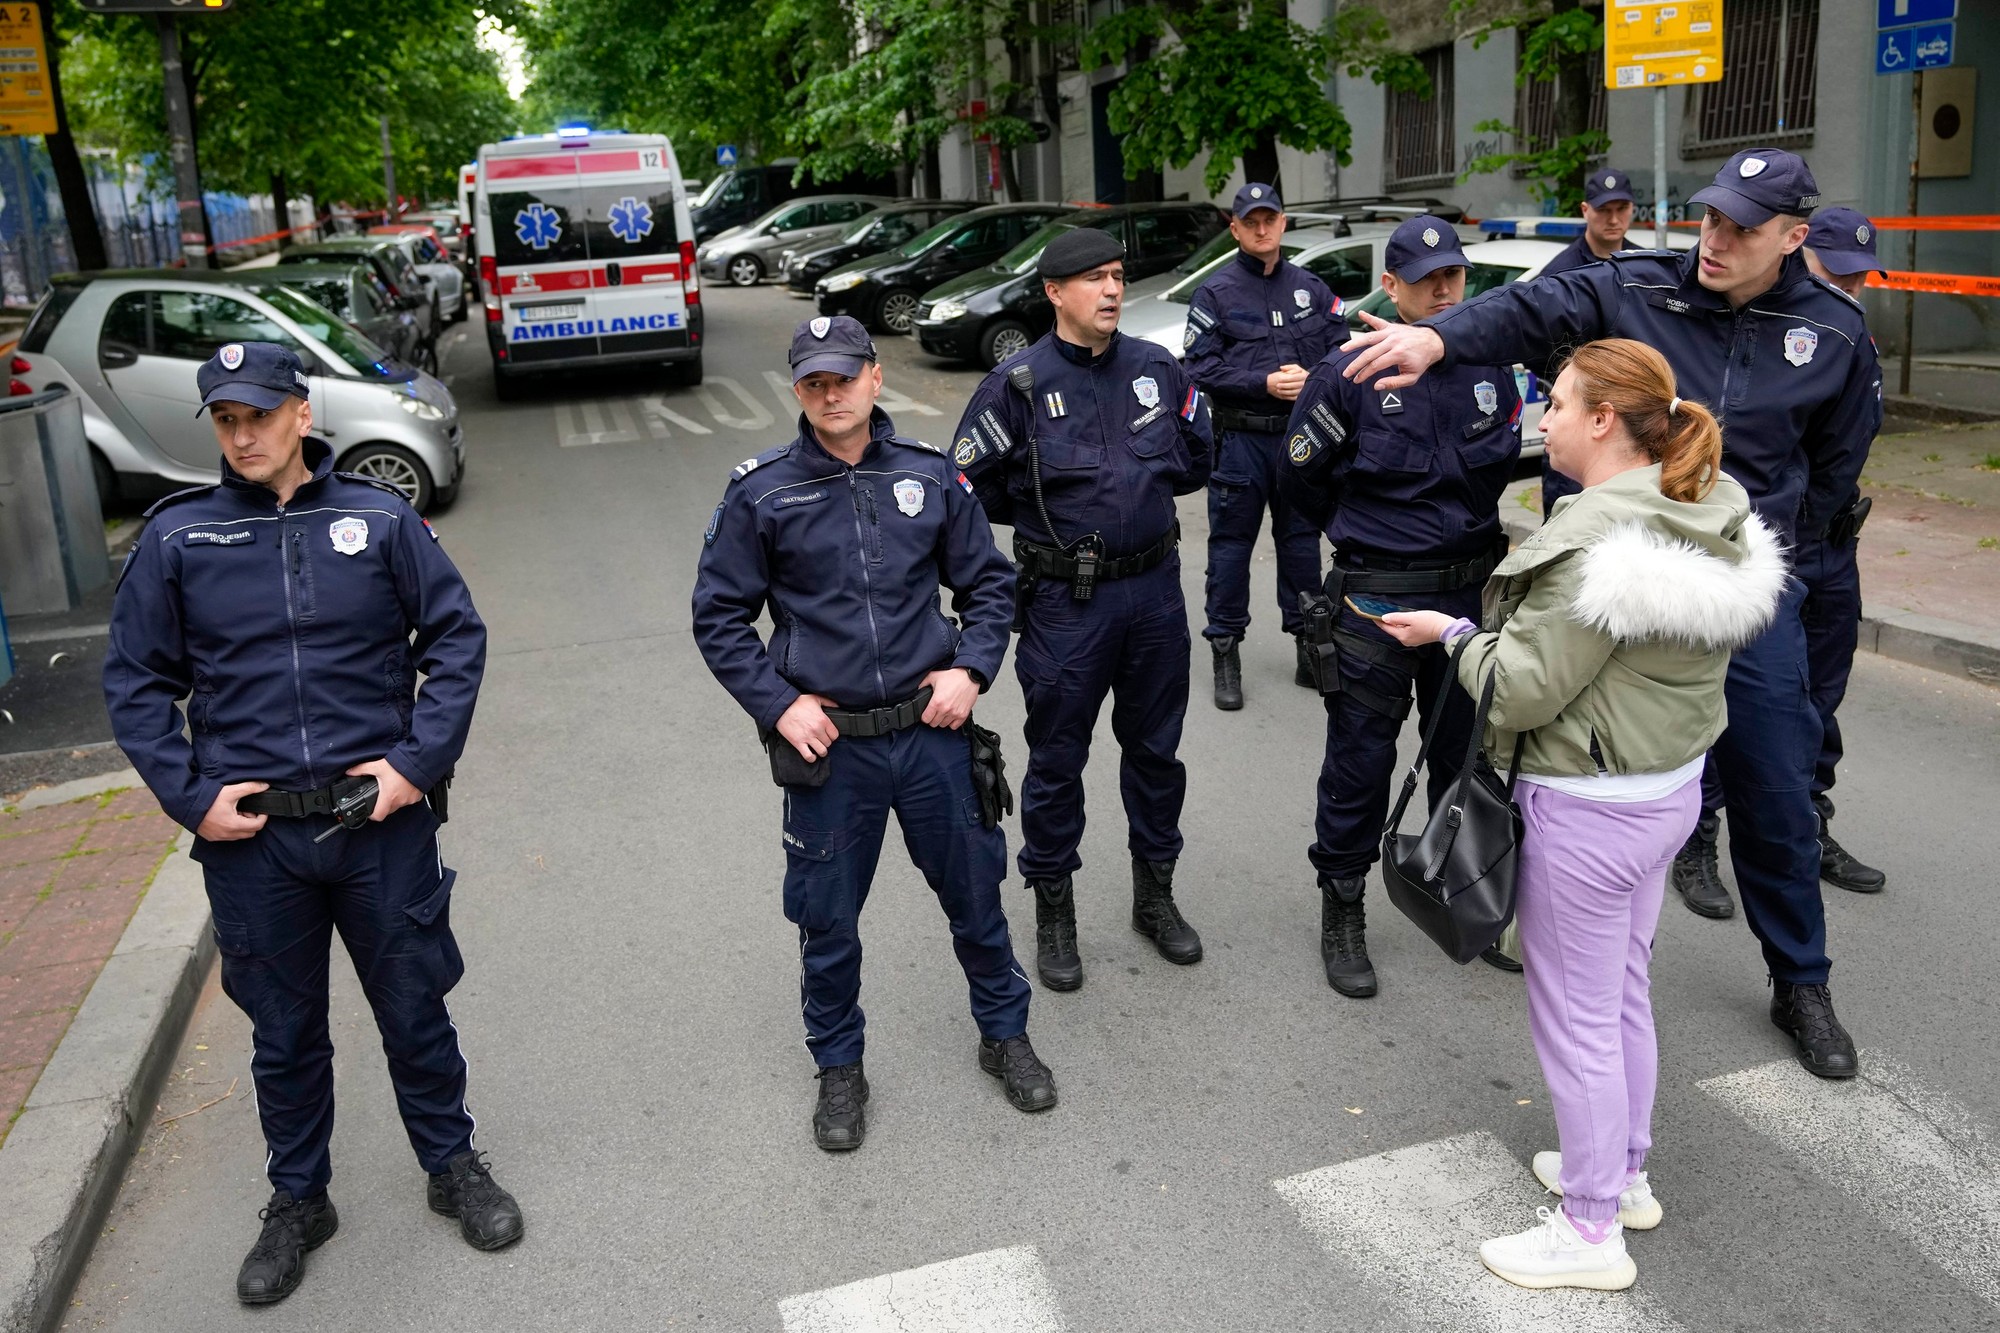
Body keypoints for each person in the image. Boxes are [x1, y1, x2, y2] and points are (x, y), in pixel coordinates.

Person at [1337, 148, 1882, 1079]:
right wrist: (1436, 338)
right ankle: (1535, 920)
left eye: (1740, 228)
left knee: (1777, 786)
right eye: (1709, 218)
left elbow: (1834, 473)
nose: (1713, 239)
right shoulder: (1639, 289)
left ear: (1794, 237)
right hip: (1607, 584)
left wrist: (1783, 570)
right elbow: (1529, 309)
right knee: (1570, 765)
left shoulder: (1831, 333)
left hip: (1728, 599)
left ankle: (1802, 980)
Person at [102, 343, 520, 1306]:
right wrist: (189, 793)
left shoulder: (375, 519)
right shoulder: (179, 536)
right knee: (284, 1034)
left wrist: (415, 765)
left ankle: (452, 1166)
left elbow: (456, 636)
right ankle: (299, 1199)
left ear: (300, 413)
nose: (241, 434)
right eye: (225, 419)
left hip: (377, 826)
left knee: (414, 1006)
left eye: (257, 414)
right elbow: (132, 681)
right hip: (255, 843)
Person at [1380, 338, 1782, 1291]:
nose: (1544, 418)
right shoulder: (1701, 506)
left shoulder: (1596, 542)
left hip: (1589, 807)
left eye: (1556, 402)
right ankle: (1624, 1170)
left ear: (1605, 420)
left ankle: (1591, 1229)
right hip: (1665, 788)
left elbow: (1520, 691)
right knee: (1621, 992)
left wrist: (1452, 634)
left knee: (1577, 1020)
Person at [692, 315, 1053, 1153]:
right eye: (815, 380)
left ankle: (1005, 1034)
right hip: (831, 751)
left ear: (874, 377)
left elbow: (990, 588)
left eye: (844, 376)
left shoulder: (930, 477)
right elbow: (718, 617)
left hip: (930, 737)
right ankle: (840, 1067)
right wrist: (779, 705)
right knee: (828, 921)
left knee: (975, 896)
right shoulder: (764, 492)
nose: (832, 393)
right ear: (799, 390)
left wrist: (970, 671)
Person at [952, 227, 1214, 992]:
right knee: (1058, 760)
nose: (1111, 289)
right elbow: (971, 488)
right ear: (1054, 293)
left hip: (1154, 593)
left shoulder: (1158, 369)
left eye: (1117, 275)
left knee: (1156, 751)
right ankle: (1054, 911)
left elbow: (1200, 454)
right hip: (1067, 603)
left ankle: (1155, 896)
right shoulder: (1017, 383)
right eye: (1093, 278)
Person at [1280, 215, 1523, 998]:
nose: (1446, 288)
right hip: (1377, 602)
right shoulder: (1346, 371)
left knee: (1466, 757)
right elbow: (1300, 482)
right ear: (1390, 286)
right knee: (1361, 760)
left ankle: (1464, 891)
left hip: (1466, 595)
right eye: (1427, 279)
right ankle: (1343, 905)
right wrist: (1375, 547)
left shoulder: (1491, 364)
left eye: (1454, 274)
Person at [1675, 206, 1892, 911]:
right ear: (1799, 257)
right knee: (1733, 705)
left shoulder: (1844, 332)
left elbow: (1844, 448)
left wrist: (1819, 523)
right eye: (1838, 275)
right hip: (1775, 545)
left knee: (1816, 701)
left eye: (1860, 279)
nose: (1849, 290)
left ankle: (1812, 819)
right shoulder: (1756, 325)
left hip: (1831, 545)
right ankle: (1698, 837)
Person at [1183, 182, 1338, 709]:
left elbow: (1342, 351)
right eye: (1251, 221)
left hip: (1298, 442)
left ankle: (1307, 646)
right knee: (1230, 550)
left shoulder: (1312, 289)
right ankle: (1225, 651)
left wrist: (1313, 374)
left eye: (1269, 218)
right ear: (1235, 228)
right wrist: (1262, 384)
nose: (1261, 228)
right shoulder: (1215, 293)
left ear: (1284, 222)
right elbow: (1198, 367)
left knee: (1300, 544)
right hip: (1241, 440)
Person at [1536, 167, 1640, 517]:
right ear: (1584, 211)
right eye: (1603, 210)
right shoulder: (1559, 276)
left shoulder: (1644, 269)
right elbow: (1539, 351)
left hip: (1634, 428)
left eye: (1621, 209)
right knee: (1573, 528)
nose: (1613, 219)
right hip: (1579, 426)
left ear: (1632, 210)